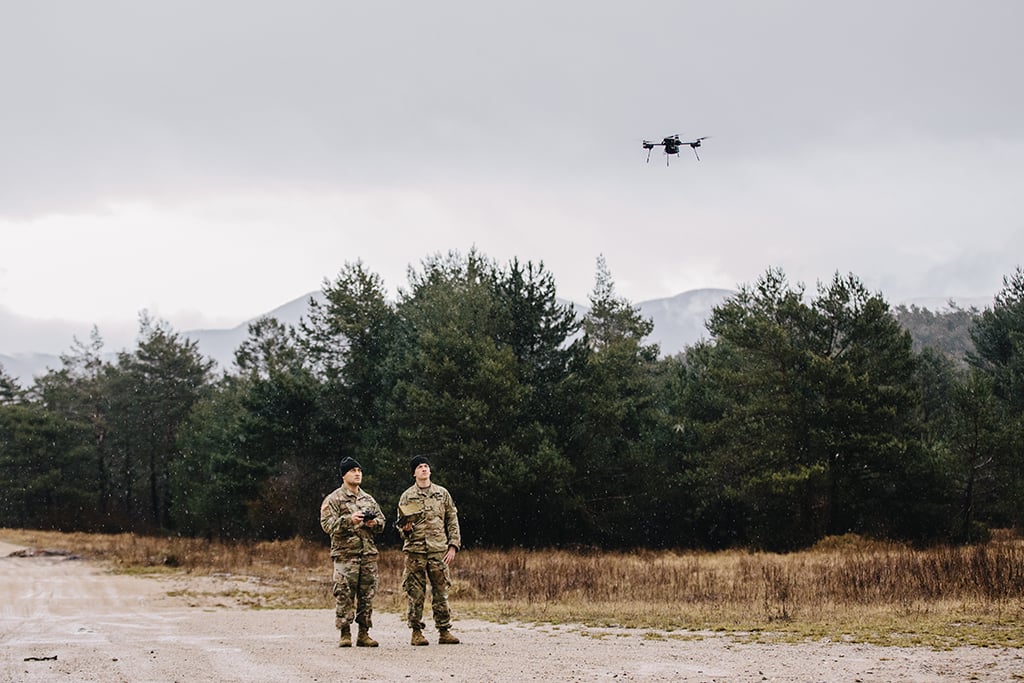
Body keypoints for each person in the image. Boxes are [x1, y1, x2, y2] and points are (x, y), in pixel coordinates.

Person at [395, 454, 462, 646]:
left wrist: (453, 545)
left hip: (438, 551)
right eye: (419, 467)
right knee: (415, 593)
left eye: (426, 466)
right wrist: (405, 530)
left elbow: (452, 519)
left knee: (441, 591)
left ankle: (444, 630)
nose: (424, 469)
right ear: (414, 473)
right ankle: (416, 631)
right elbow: (401, 525)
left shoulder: (442, 494)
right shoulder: (407, 496)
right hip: (415, 552)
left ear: (430, 470)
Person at [320, 456, 384, 648]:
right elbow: (326, 525)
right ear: (344, 475)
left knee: (367, 595)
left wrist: (375, 523)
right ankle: (345, 633)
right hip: (345, 555)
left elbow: (382, 521)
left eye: (359, 471)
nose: (357, 474)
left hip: (367, 555)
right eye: (353, 471)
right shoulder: (334, 499)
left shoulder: (368, 499)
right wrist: (350, 520)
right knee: (344, 594)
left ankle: (364, 634)